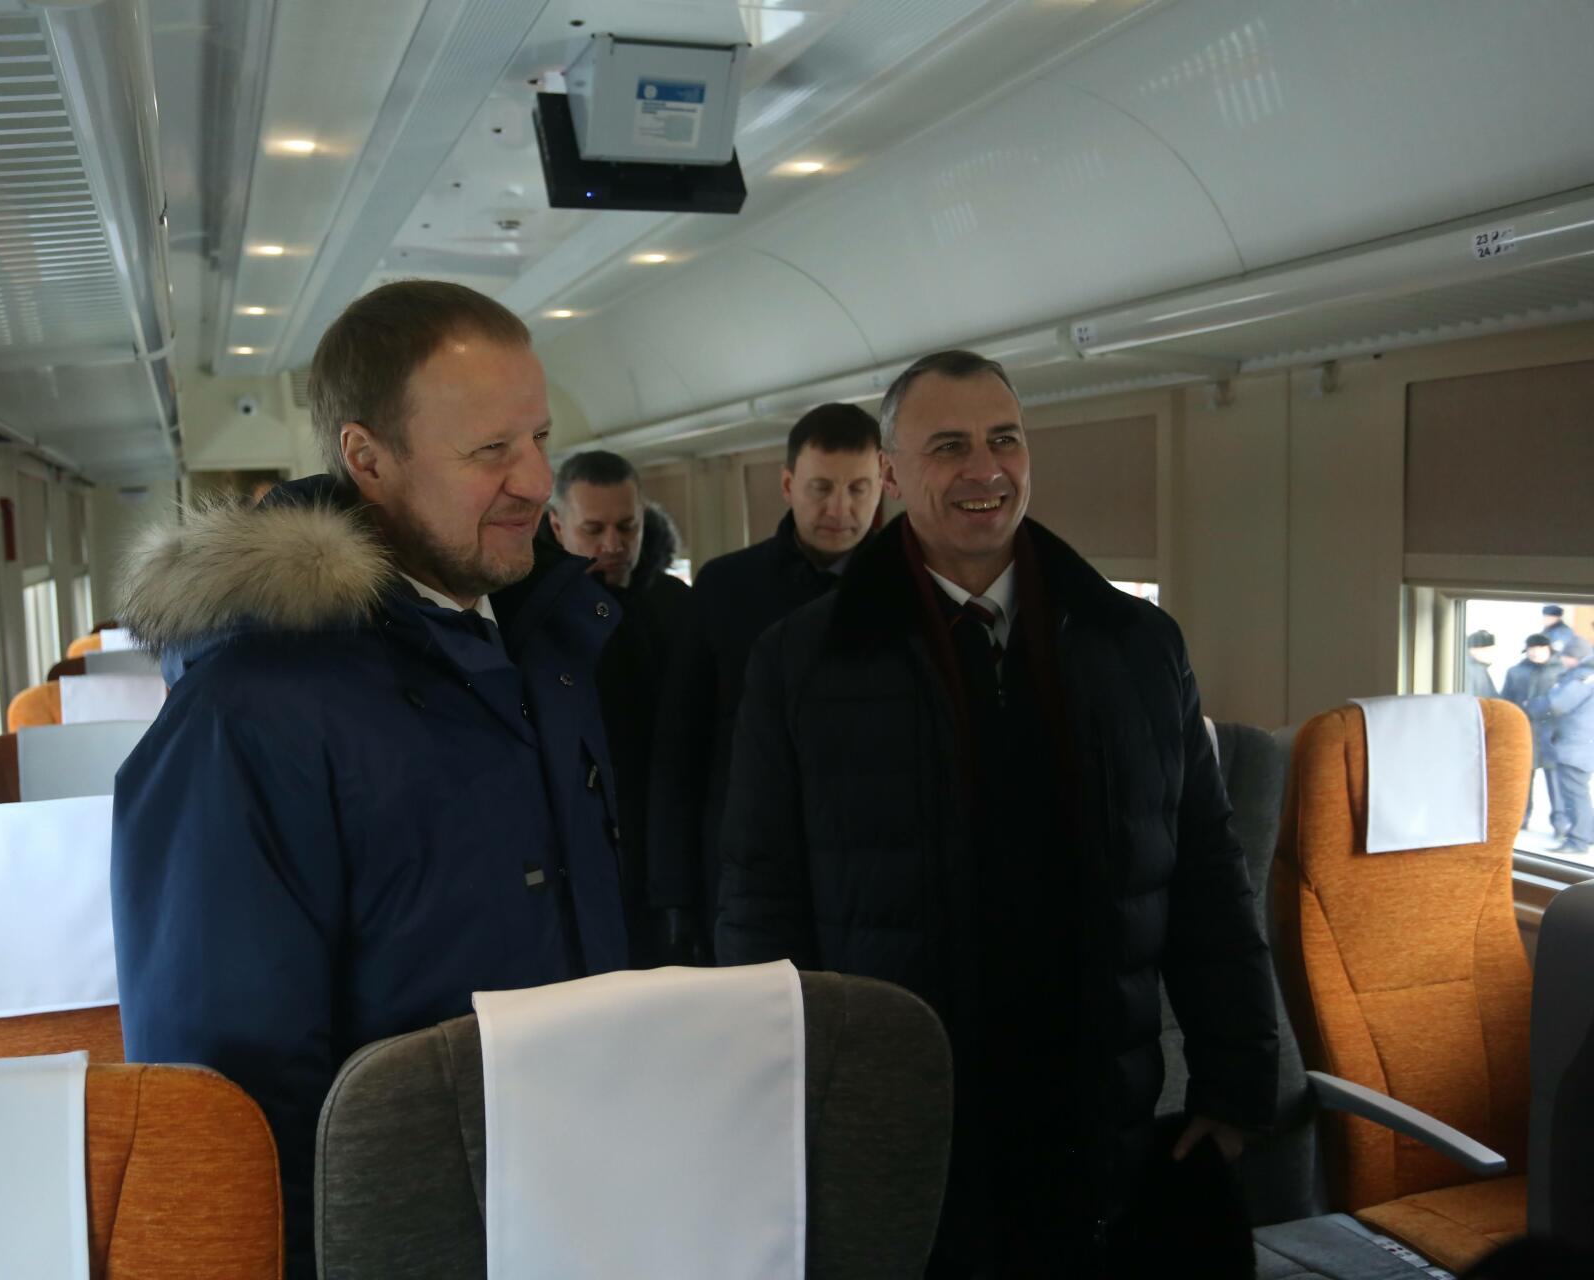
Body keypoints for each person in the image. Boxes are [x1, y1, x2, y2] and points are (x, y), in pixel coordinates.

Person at [717, 349, 1277, 1277]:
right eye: (949, 447)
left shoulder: (1137, 644)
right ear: (892, 475)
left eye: (1005, 440)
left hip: (1095, 1102)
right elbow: (759, 896)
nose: (986, 470)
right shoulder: (800, 663)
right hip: (907, 1107)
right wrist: (773, 1107)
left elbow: (1207, 871)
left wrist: (1235, 1076)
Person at [109, 281, 628, 1277]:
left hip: (571, 1198)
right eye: (491, 451)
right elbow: (226, 1101)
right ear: (369, 459)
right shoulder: (247, 713)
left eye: (539, 438)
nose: (537, 481)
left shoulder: (542, 645)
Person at [646, 403, 883, 959]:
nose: (840, 509)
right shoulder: (725, 586)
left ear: (883, 486)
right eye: (821, 487)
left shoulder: (906, 592)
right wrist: (673, 893)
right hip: (744, 859)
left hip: (870, 864)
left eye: (858, 489)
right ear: (787, 484)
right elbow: (680, 746)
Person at [543, 450, 691, 962]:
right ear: (557, 526)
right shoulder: (533, 619)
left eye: (628, 527)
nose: (613, 545)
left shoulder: (676, 606)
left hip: (665, 836)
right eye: (594, 529)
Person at [1530, 652, 1594, 855]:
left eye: (1566, 655)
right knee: (1579, 792)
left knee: (1574, 795)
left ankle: (1578, 841)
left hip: (1574, 746)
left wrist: (1532, 705)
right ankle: (1587, 834)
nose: (1563, 660)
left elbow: (1558, 704)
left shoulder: (1584, 675)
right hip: (1583, 745)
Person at [1506, 635, 1569, 838]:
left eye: (1540, 648)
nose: (1535, 653)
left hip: (1553, 734)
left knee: (1556, 781)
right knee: (1523, 779)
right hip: (1525, 732)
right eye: (1531, 649)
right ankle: (1521, 819)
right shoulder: (1516, 671)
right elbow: (1507, 701)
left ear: (1549, 649)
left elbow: (1566, 704)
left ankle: (1560, 823)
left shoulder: (1562, 671)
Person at [1464, 629, 1499, 699]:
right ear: (1473, 649)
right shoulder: (1473, 670)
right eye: (1486, 650)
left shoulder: (1479, 667)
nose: (1491, 654)